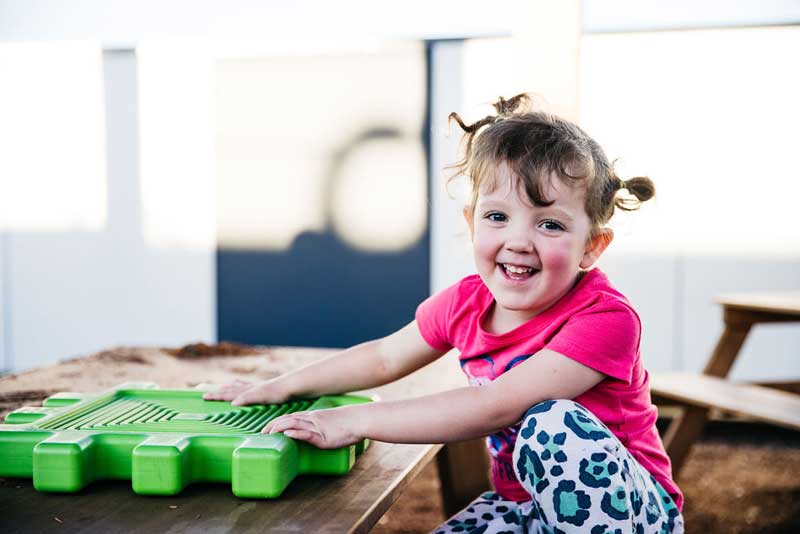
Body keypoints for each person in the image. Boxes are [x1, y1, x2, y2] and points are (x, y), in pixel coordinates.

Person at [204, 94, 684, 533]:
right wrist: (281, 386)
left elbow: (494, 406)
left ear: (592, 248)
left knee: (550, 423)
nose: (518, 240)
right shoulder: (466, 303)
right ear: (472, 222)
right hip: (524, 508)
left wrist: (350, 421)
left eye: (550, 224)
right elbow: (382, 359)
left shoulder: (605, 320)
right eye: (498, 216)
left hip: (631, 514)